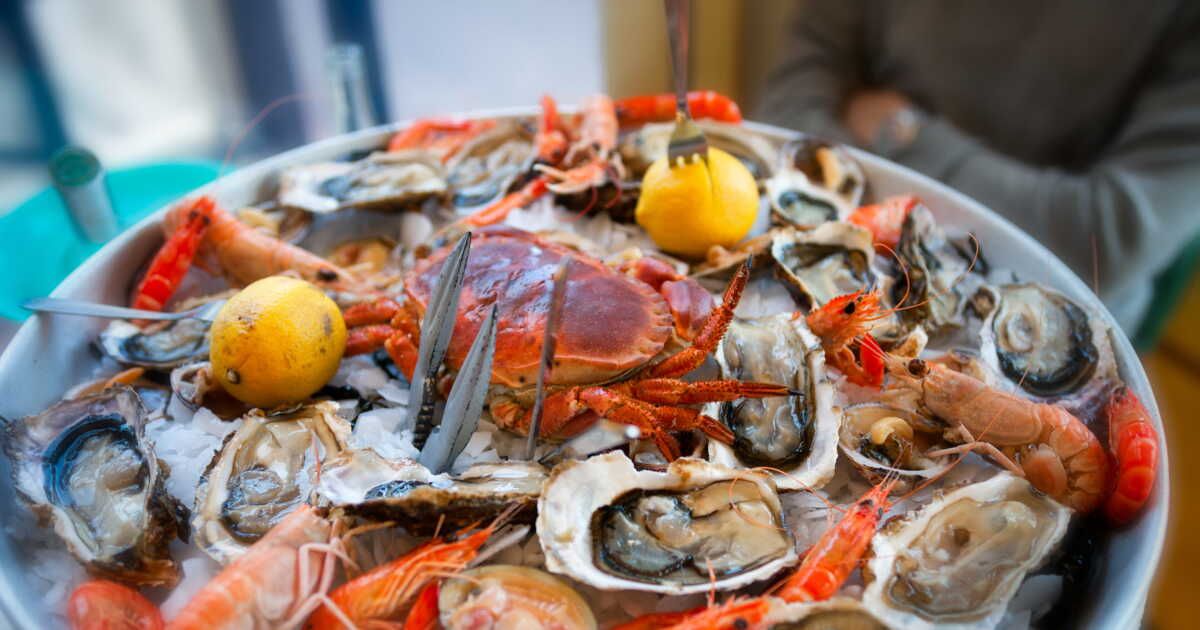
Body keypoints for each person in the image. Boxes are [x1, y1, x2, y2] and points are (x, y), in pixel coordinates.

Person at [758, 1, 1200, 332]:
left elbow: (1106, 239)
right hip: (817, 239)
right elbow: (790, 102)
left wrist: (902, 133)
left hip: (1052, 311)